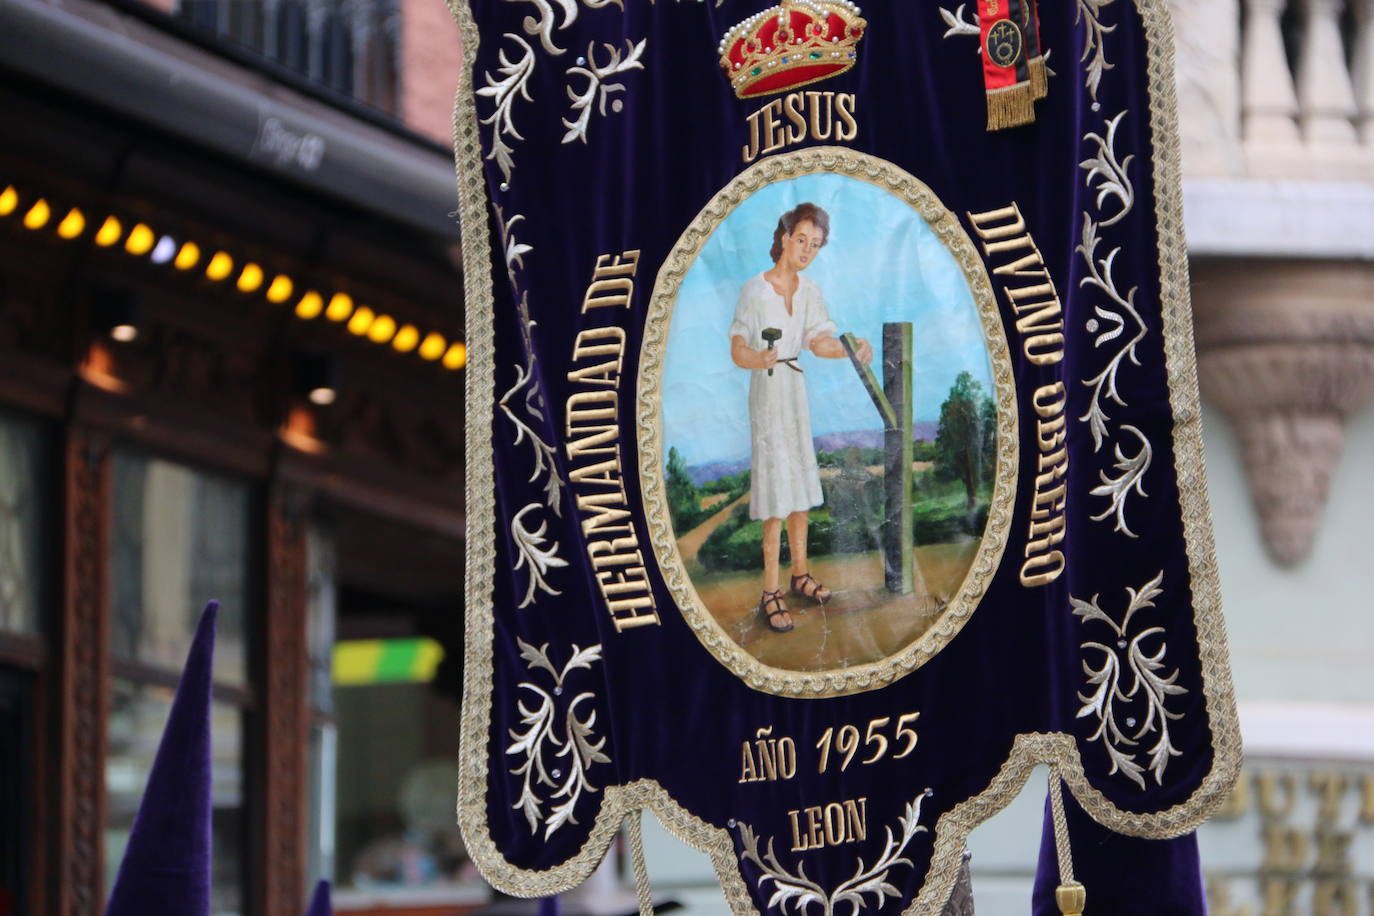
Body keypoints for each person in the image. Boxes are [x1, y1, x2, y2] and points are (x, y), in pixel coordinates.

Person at [728, 202, 872, 633]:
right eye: (802, 240)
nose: (808, 250)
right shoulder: (755, 290)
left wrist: (850, 345)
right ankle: (770, 590)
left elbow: (818, 343)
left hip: (794, 391)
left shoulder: (809, 290)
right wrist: (758, 357)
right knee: (776, 492)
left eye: (817, 244)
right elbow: (736, 348)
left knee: (801, 488)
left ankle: (800, 575)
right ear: (786, 237)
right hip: (767, 390)